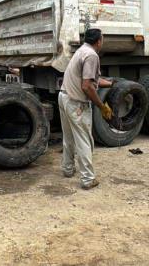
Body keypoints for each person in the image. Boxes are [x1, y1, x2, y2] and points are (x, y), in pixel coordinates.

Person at [58, 28, 114, 190]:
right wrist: (101, 106)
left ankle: (68, 169)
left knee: (68, 137)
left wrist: (110, 83)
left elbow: (90, 79)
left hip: (64, 96)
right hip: (76, 103)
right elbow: (87, 86)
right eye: (102, 39)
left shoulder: (82, 51)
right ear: (98, 41)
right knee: (84, 140)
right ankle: (88, 179)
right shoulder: (92, 56)